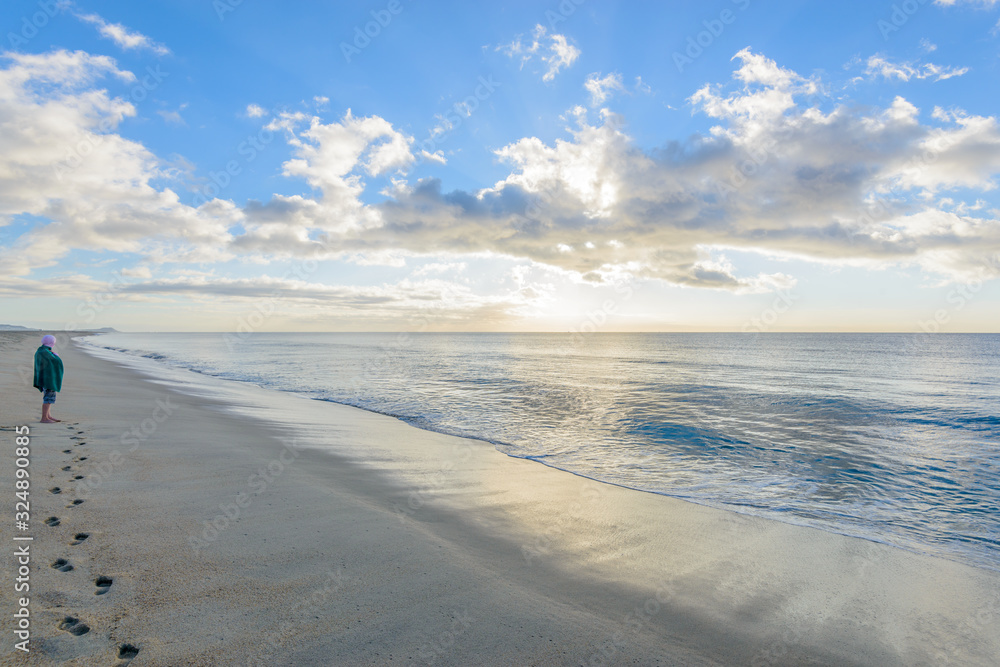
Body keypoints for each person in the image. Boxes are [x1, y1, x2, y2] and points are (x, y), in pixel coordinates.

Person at [33, 334, 65, 423]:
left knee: (49, 398)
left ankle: (48, 415)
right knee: (48, 398)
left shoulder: (43, 351)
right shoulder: (45, 352)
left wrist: (53, 354)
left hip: (45, 379)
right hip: (48, 380)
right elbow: (55, 361)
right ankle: (44, 418)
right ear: (52, 343)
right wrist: (56, 356)